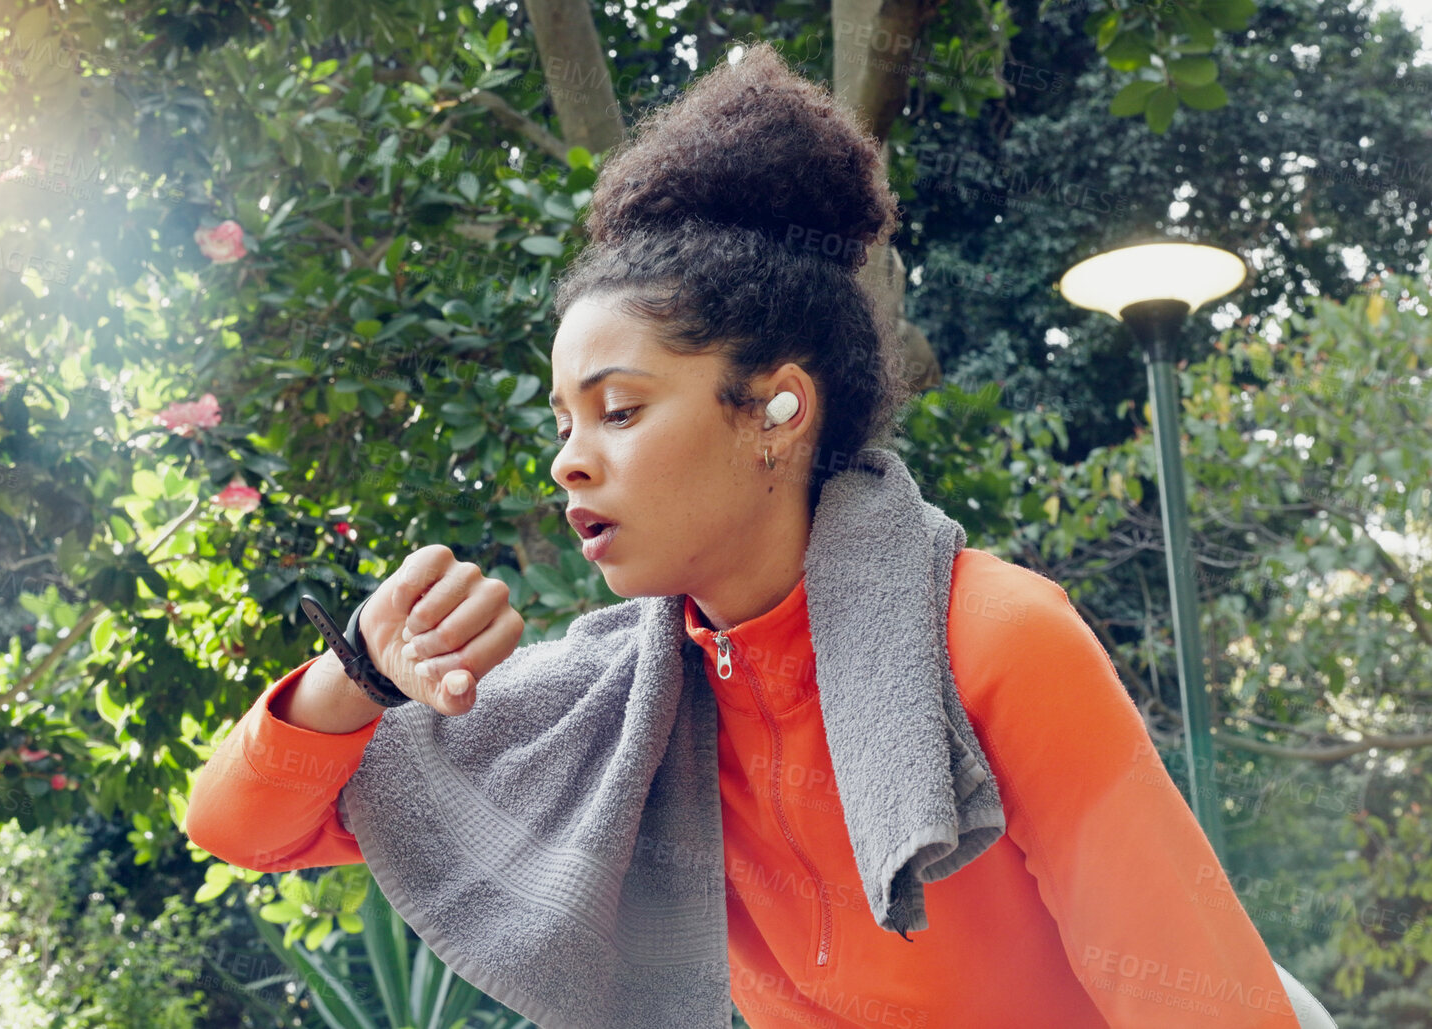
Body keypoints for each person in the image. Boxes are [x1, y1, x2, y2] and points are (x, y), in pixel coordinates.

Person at [184, 42, 1304, 1028]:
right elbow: (242, 827)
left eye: (618, 410)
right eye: (562, 422)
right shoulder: (618, 703)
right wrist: (361, 677)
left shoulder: (994, 642)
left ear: (775, 411)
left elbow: (1205, 1006)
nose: (569, 458)